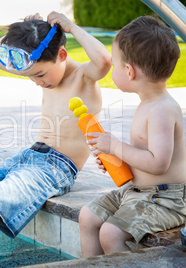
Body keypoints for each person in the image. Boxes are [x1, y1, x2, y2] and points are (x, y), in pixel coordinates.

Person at [0, 11, 111, 267]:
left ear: (62, 55)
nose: (36, 82)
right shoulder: (39, 66)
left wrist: (71, 27)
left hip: (58, 167)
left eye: (40, 75)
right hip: (29, 157)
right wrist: (17, 36)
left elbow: (105, 60)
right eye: (31, 76)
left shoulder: (83, 78)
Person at [79, 16, 186, 257]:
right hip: (137, 193)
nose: (113, 70)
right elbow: (145, 154)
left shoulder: (162, 109)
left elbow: (159, 163)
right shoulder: (149, 103)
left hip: (164, 200)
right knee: (87, 217)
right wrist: (119, 161)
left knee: (110, 233)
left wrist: (116, 146)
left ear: (129, 71)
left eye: (115, 64)